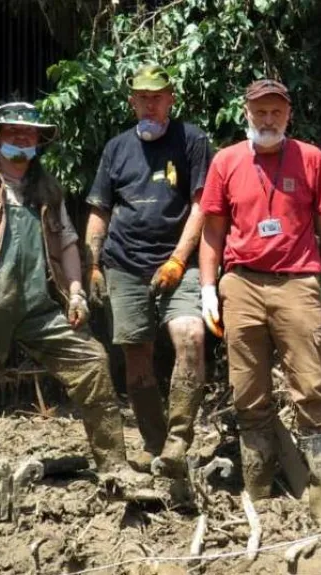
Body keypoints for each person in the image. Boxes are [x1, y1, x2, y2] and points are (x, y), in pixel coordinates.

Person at [0, 102, 143, 491]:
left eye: (29, 134)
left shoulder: (48, 190)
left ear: (39, 141)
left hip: (38, 306)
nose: (22, 139)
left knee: (91, 360)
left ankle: (114, 466)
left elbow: (68, 242)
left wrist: (75, 292)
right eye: (13, 132)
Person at [198, 79, 321, 528]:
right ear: (246, 112)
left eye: (275, 112)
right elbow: (213, 231)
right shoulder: (226, 161)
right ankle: (258, 489)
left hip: (298, 282)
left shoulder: (312, 158)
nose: (268, 120)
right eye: (260, 111)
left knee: (311, 385)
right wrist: (208, 288)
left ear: (288, 115)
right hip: (240, 284)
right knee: (248, 390)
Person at [85, 65, 213, 491]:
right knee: (135, 355)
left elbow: (201, 206)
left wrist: (178, 259)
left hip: (179, 263)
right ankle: (154, 443)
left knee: (190, 336)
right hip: (124, 263)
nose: (150, 104)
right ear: (132, 102)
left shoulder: (191, 140)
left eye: (157, 96)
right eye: (142, 96)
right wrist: (92, 263)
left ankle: (178, 440)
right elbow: (100, 209)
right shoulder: (116, 148)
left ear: (171, 98)